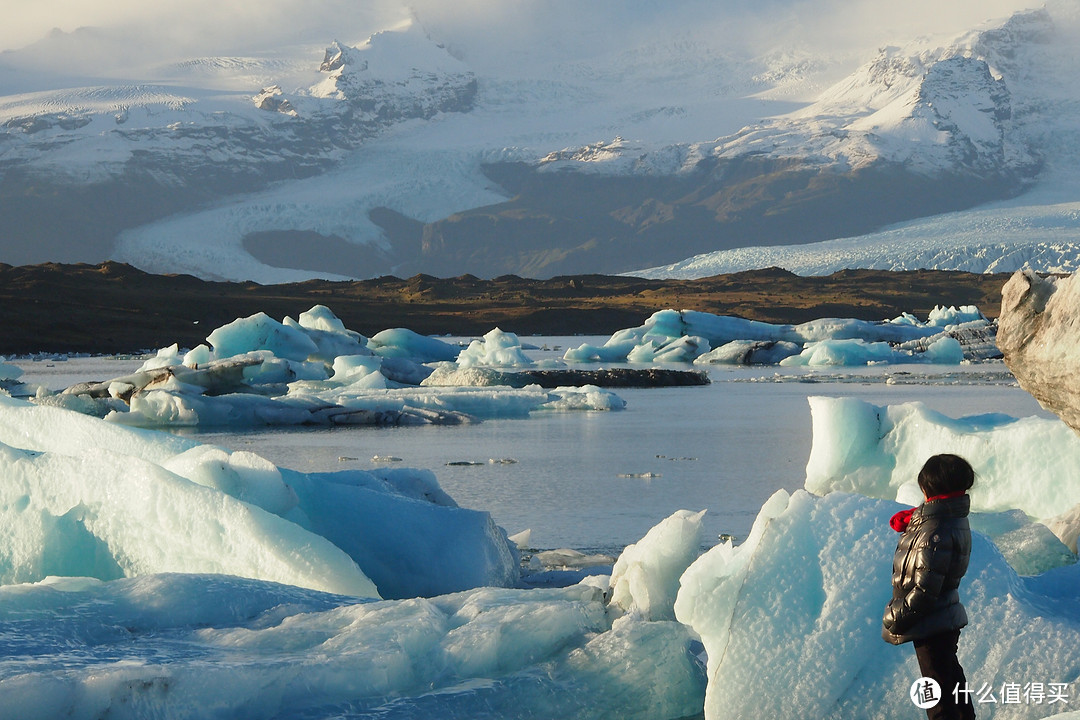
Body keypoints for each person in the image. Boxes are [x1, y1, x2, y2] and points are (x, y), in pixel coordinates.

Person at [883, 453, 976, 720]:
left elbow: (926, 589)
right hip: (939, 618)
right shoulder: (946, 521)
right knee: (951, 682)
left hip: (930, 620)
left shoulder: (936, 531)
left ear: (929, 488)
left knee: (937, 694)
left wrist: (897, 615)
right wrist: (916, 520)